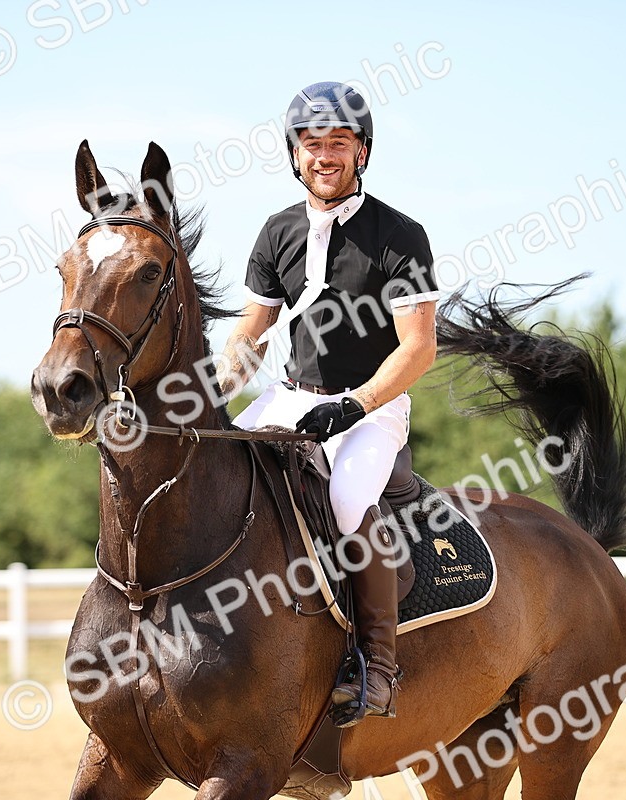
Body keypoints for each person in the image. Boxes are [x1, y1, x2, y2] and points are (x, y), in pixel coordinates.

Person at [217, 81, 438, 726]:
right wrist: (225, 377)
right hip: (290, 397)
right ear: (293, 153)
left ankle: (377, 662)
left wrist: (355, 406)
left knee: (344, 502)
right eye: (312, 144)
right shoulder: (278, 231)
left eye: (338, 143)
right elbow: (250, 331)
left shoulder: (400, 235)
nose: (324, 156)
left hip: (371, 408)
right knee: (224, 471)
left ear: (362, 153)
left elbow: (418, 348)